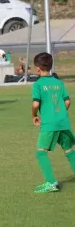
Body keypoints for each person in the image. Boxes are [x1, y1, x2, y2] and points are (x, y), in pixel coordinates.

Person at [30, 52, 75, 193]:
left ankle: (51, 183)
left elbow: (36, 104)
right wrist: (60, 114)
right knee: (70, 152)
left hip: (49, 123)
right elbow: (67, 101)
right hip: (63, 122)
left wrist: (34, 115)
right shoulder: (59, 83)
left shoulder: (38, 84)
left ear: (37, 68)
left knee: (41, 153)